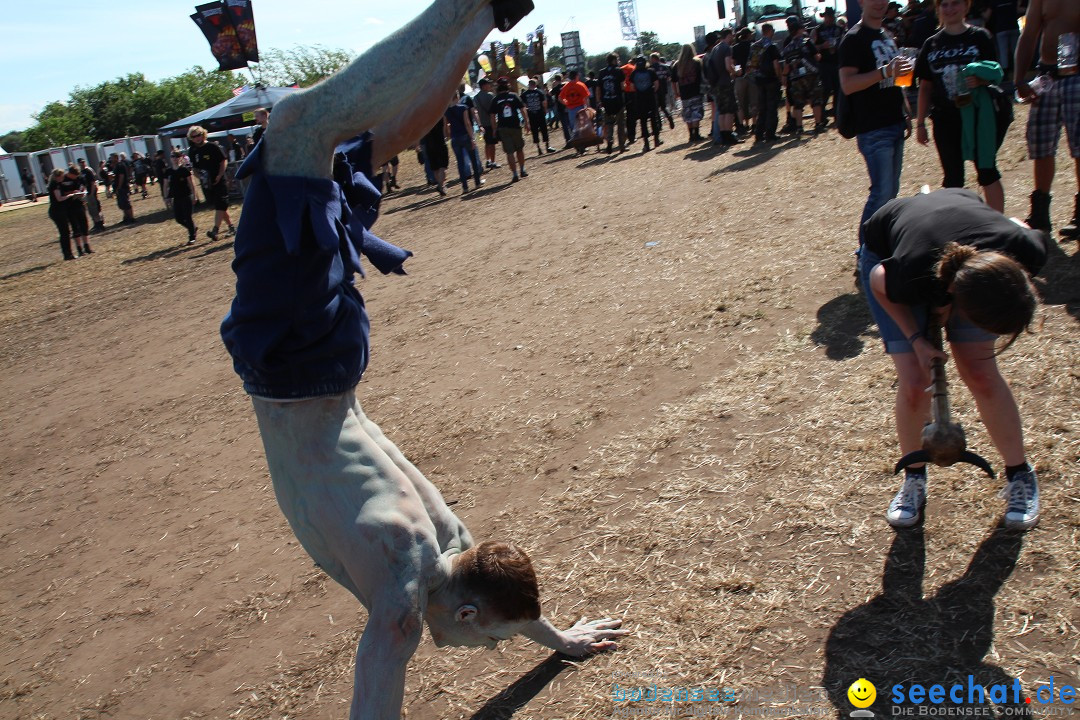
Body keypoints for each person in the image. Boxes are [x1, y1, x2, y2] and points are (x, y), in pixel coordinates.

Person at [218, 2, 626, 718]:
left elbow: (500, 599)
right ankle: (466, 7)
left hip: (334, 366)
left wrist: (560, 641)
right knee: (300, 126)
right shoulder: (410, 587)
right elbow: (383, 690)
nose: (488, 652)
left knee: (377, 141)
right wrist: (555, 640)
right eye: (488, 643)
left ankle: (480, 23)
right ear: (463, 616)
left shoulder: (454, 547)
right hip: (293, 364)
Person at [859, 189, 1047, 530]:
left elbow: (1017, 223)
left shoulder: (1026, 249)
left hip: (968, 248)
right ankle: (914, 477)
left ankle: (1020, 475)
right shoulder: (909, 272)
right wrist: (917, 340)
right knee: (916, 382)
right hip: (891, 250)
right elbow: (878, 281)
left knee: (980, 372)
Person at [915, 0, 1006, 211]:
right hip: (945, 118)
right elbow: (925, 87)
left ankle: (998, 227)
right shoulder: (931, 44)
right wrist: (920, 123)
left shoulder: (980, 36)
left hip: (977, 116)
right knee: (952, 177)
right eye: (944, 5)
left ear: (966, 6)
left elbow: (995, 72)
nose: (950, 9)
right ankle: (958, 228)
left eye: (955, 3)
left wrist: (981, 81)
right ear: (938, 9)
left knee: (987, 170)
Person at [839, 0, 913, 247]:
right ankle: (865, 252)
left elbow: (895, 76)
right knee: (881, 192)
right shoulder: (854, 38)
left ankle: (881, 246)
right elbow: (848, 84)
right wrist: (884, 71)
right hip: (873, 127)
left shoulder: (885, 34)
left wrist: (905, 108)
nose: (880, 3)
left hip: (894, 121)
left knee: (890, 192)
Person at [1014, 0, 1080, 236]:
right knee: (1040, 145)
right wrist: (1019, 78)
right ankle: (1040, 214)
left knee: (1079, 147)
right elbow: (1029, 33)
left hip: (1077, 74)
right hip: (1047, 76)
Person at [187, 125, 235, 239]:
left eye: (198, 135)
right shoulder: (193, 150)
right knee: (220, 206)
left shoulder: (212, 146)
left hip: (218, 180)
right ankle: (232, 227)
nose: (197, 138)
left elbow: (223, 161)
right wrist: (201, 177)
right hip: (206, 182)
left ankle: (215, 230)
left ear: (203, 134)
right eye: (194, 137)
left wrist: (220, 175)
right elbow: (194, 168)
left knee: (220, 204)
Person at [782, 16, 827, 135]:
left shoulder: (787, 48)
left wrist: (784, 76)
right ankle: (818, 125)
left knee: (798, 104)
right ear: (799, 30)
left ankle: (799, 128)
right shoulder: (806, 42)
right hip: (811, 74)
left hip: (795, 78)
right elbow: (817, 56)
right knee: (816, 100)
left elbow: (786, 66)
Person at [491, 76, 531, 182]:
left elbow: (492, 116)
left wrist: (494, 129)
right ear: (508, 85)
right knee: (519, 149)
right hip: (515, 126)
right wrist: (527, 122)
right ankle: (522, 170)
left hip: (503, 128)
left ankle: (514, 174)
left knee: (509, 152)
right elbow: (523, 109)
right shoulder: (514, 96)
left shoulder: (495, 99)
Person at [445, 91, 485, 194]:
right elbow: (467, 123)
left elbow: (446, 126)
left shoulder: (447, 111)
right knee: (473, 159)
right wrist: (472, 137)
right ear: (457, 97)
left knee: (460, 163)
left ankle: (465, 187)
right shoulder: (463, 108)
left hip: (455, 138)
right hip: (465, 136)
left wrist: (449, 136)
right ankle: (477, 182)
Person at [706, 29, 739, 145]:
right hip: (725, 82)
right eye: (732, 35)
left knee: (721, 111)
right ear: (729, 36)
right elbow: (728, 66)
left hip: (716, 84)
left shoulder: (715, 49)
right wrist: (735, 71)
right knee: (729, 110)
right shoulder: (727, 48)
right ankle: (729, 134)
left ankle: (723, 136)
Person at [47, 168, 89, 260]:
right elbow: (59, 198)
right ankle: (67, 254)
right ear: (57, 177)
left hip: (60, 210)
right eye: (62, 176)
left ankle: (68, 254)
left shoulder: (57, 184)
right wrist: (70, 195)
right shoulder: (54, 185)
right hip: (57, 211)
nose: (63, 178)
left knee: (66, 232)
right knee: (65, 233)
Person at [752, 24, 784, 144]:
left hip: (759, 80)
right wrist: (780, 78)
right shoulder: (771, 46)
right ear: (770, 31)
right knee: (772, 107)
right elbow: (776, 64)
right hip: (771, 79)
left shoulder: (755, 46)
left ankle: (759, 134)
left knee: (762, 108)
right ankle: (770, 134)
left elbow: (751, 64)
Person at [813, 8, 844, 116]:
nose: (829, 18)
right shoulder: (817, 30)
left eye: (831, 16)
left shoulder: (839, 29)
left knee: (837, 89)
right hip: (824, 63)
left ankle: (836, 113)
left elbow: (844, 44)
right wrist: (822, 46)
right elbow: (811, 48)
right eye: (827, 16)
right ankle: (821, 114)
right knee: (825, 89)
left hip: (837, 62)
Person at [672, 43, 706, 143]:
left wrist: (676, 92)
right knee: (696, 112)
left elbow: (673, 81)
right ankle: (696, 133)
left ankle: (691, 134)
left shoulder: (677, 65)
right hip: (695, 91)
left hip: (684, 93)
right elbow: (701, 77)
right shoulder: (697, 62)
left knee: (688, 113)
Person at [629, 55, 662, 151]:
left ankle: (646, 144)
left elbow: (631, 87)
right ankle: (656, 140)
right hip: (650, 97)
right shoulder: (651, 71)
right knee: (653, 119)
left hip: (639, 99)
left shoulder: (634, 73)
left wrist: (638, 92)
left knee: (643, 121)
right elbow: (656, 84)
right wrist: (652, 92)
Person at [165, 151, 199, 244]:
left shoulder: (184, 170)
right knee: (178, 219)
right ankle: (193, 228)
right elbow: (166, 185)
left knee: (188, 217)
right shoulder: (169, 171)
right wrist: (166, 197)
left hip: (186, 196)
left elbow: (191, 184)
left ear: (180, 158)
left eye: (176, 156)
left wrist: (194, 195)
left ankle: (192, 236)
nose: (174, 158)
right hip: (176, 198)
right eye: (172, 156)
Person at [598, 52, 628, 153]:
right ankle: (622, 146)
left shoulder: (601, 72)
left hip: (606, 102)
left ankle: (610, 140)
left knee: (609, 123)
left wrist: (599, 101)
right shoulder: (618, 71)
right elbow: (622, 86)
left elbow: (598, 88)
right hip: (618, 101)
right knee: (620, 124)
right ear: (614, 60)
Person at [732, 28, 758, 136]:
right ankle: (754, 124)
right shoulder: (753, 45)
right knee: (753, 102)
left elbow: (734, 62)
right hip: (752, 76)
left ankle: (742, 125)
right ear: (748, 35)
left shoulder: (735, 48)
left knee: (741, 104)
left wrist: (737, 72)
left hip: (740, 77)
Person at [521, 77, 556, 155]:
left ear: (529, 85)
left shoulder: (524, 94)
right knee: (544, 130)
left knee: (534, 131)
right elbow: (544, 102)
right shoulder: (540, 92)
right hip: (540, 113)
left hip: (531, 115)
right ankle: (547, 146)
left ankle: (539, 148)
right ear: (535, 84)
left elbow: (523, 105)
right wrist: (545, 110)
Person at [474, 77, 501, 170]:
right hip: (491, 122)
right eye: (488, 84)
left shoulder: (476, 97)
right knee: (492, 143)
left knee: (487, 143)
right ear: (484, 86)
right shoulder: (490, 96)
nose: (489, 85)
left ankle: (488, 160)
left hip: (482, 124)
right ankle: (493, 162)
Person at [420, 118, 450, 195]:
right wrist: (446, 136)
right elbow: (445, 126)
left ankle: (441, 186)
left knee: (435, 168)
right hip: (440, 143)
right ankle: (440, 185)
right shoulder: (439, 116)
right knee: (442, 167)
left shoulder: (424, 120)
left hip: (429, 145)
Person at [557, 70, 591, 136]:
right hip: (581, 107)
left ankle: (577, 141)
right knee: (583, 125)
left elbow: (560, 98)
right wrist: (588, 107)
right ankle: (584, 139)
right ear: (576, 76)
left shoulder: (566, 86)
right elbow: (586, 97)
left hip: (571, 109)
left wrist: (566, 103)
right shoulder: (581, 85)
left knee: (574, 127)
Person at [77, 158, 106, 233]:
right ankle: (96, 224)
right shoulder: (81, 172)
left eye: (83, 162)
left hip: (91, 192)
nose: (82, 163)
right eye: (81, 162)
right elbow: (82, 184)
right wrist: (81, 193)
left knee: (95, 209)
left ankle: (100, 224)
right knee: (91, 210)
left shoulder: (88, 171)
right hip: (87, 193)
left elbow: (93, 182)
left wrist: (92, 193)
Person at [650, 52, 676, 130]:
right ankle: (669, 117)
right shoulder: (665, 67)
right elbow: (669, 78)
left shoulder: (651, 68)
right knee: (663, 106)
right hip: (664, 88)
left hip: (655, 89)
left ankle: (659, 125)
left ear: (653, 59)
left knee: (656, 108)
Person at [110, 154, 136, 225]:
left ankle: (131, 218)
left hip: (122, 187)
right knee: (122, 204)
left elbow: (122, 176)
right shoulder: (116, 166)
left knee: (126, 203)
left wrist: (119, 186)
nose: (111, 159)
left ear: (116, 158)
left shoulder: (120, 165)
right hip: (118, 187)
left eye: (112, 158)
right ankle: (126, 218)